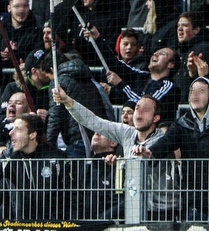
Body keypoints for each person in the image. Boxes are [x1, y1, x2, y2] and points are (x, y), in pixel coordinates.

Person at [52, 87, 173, 218]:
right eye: (137, 108)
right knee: (99, 221)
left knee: (101, 221)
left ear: (156, 118)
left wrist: (121, 164)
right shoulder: (128, 132)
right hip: (135, 202)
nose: (139, 112)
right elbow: (94, 122)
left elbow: (144, 169)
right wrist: (67, 101)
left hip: (162, 209)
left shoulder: (162, 140)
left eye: (146, 109)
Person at [138, 78, 209, 221]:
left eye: (201, 91)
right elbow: (166, 141)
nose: (194, 95)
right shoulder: (182, 124)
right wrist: (151, 152)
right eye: (192, 91)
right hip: (191, 205)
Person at [0, 113, 68, 220]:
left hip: (52, 224)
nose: (11, 133)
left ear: (32, 135)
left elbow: (72, 194)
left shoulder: (56, 158)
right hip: (21, 223)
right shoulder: (9, 156)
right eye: (12, 128)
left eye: (18, 129)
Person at [0, 0, 41, 72]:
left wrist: (16, 54)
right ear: (9, 8)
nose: (21, 10)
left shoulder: (37, 30)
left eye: (25, 6)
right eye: (17, 6)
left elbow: (38, 56)